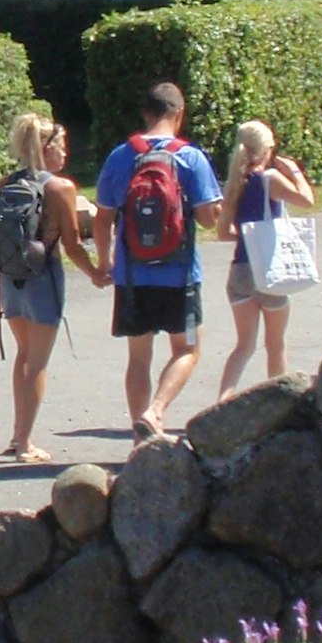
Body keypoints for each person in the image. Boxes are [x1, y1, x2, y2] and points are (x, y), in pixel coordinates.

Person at [94, 81, 222, 443]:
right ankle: (156, 411)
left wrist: (105, 262)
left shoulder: (121, 155)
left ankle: (140, 437)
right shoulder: (190, 157)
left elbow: (103, 218)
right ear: (178, 114)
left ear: (146, 114)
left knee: (138, 358)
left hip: (132, 275)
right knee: (188, 348)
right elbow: (209, 219)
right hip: (180, 276)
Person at [0, 111, 107, 464]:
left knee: (23, 354)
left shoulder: (3, 184)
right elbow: (71, 244)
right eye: (62, 147)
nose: (65, 154)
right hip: (43, 277)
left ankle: (17, 434)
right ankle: (24, 444)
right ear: (46, 148)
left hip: (10, 278)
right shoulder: (60, 188)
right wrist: (95, 274)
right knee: (37, 361)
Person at [216, 118, 318, 395]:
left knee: (244, 346)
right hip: (269, 270)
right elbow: (307, 201)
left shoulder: (235, 183)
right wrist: (295, 172)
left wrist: (249, 235)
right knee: (275, 344)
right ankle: (279, 401)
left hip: (240, 271)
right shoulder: (270, 179)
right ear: (267, 150)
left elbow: (223, 233)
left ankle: (222, 402)